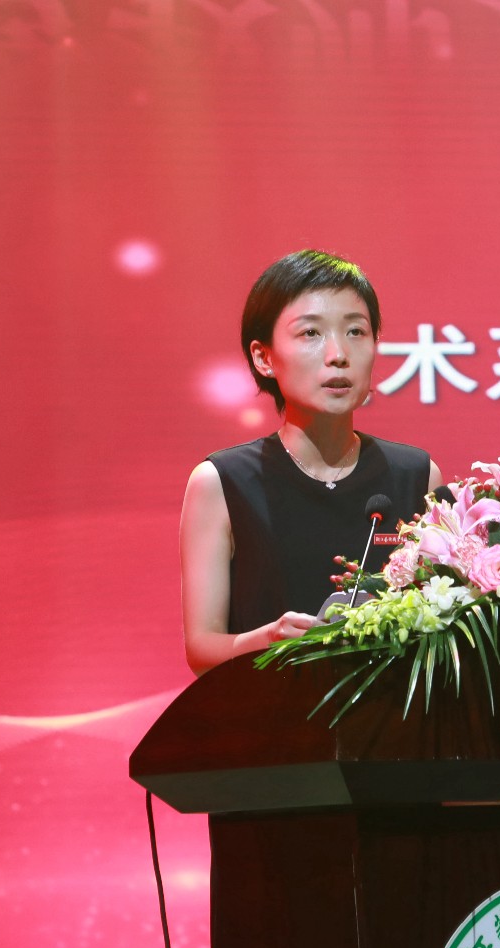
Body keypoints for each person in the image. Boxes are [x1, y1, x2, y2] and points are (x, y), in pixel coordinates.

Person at [180, 250, 442, 675]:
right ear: (264, 357)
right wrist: (267, 640)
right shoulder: (222, 482)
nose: (338, 354)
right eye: (311, 333)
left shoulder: (417, 475)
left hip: (390, 712)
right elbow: (202, 647)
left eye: (356, 331)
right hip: (273, 709)